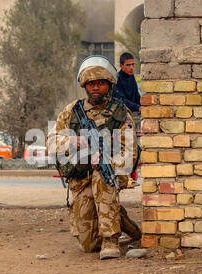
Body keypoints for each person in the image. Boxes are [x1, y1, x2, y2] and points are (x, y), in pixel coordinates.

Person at [48, 55, 141, 260]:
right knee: (88, 245)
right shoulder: (72, 111)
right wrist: (73, 141)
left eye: (100, 83)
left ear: (109, 84)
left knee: (102, 173)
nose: (96, 87)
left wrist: (108, 160)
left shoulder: (120, 113)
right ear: (85, 85)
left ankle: (111, 238)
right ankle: (123, 221)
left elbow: (130, 152)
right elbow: (51, 142)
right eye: (91, 84)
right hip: (81, 178)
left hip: (110, 175)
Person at [114, 52, 141, 188]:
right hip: (120, 118)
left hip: (131, 117)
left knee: (135, 148)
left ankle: (131, 176)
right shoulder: (117, 79)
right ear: (121, 66)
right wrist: (138, 107)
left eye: (133, 64)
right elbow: (122, 101)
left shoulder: (132, 78)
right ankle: (126, 178)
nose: (131, 67)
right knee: (125, 148)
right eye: (128, 65)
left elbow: (136, 97)